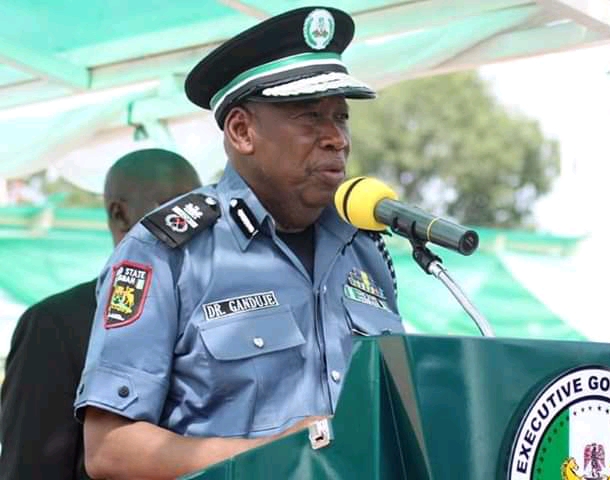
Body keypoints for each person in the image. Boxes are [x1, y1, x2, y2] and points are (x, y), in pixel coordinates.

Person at [75, 6, 404, 480]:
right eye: (310, 117)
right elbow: (110, 450)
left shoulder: (366, 248)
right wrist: (282, 454)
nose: (336, 138)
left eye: (341, 117)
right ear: (242, 132)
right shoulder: (169, 252)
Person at [0, 149, 201, 480]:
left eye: (199, 209)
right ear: (120, 215)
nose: (191, 225)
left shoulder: (208, 314)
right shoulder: (56, 324)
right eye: (172, 210)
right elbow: (30, 465)